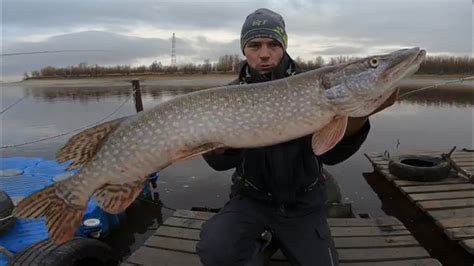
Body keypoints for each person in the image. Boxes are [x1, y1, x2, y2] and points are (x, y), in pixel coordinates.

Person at [196, 8, 397, 266]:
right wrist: (220, 151)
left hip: (303, 203)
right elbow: (218, 164)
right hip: (251, 200)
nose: (265, 53)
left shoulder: (317, 86)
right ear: (244, 49)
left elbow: (333, 156)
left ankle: (284, 238)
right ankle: (263, 242)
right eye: (255, 45)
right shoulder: (227, 97)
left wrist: (358, 117)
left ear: (284, 46)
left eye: (273, 44)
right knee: (216, 251)